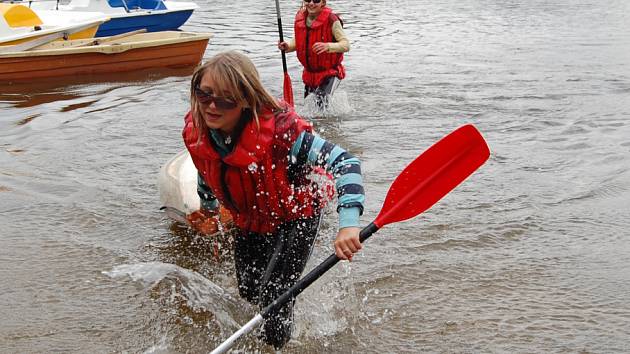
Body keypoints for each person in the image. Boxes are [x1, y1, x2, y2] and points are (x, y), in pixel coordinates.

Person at [181, 51, 364, 349]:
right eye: (204, 94)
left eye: (225, 99)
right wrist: (210, 207)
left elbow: (346, 163)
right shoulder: (198, 130)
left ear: (245, 99)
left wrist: (349, 225)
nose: (212, 106)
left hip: (297, 216)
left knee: (274, 297)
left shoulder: (283, 134)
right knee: (249, 291)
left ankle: (276, 346)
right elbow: (206, 165)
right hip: (251, 218)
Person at [278, 0, 349, 107]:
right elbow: (299, 40)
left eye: (316, 0)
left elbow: (346, 45)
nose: (311, 3)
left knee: (320, 105)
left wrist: (327, 46)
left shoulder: (332, 20)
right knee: (309, 107)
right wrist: (288, 46)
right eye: (307, 0)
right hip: (310, 74)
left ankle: (328, 123)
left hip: (330, 73)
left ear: (323, 3)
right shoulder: (301, 18)